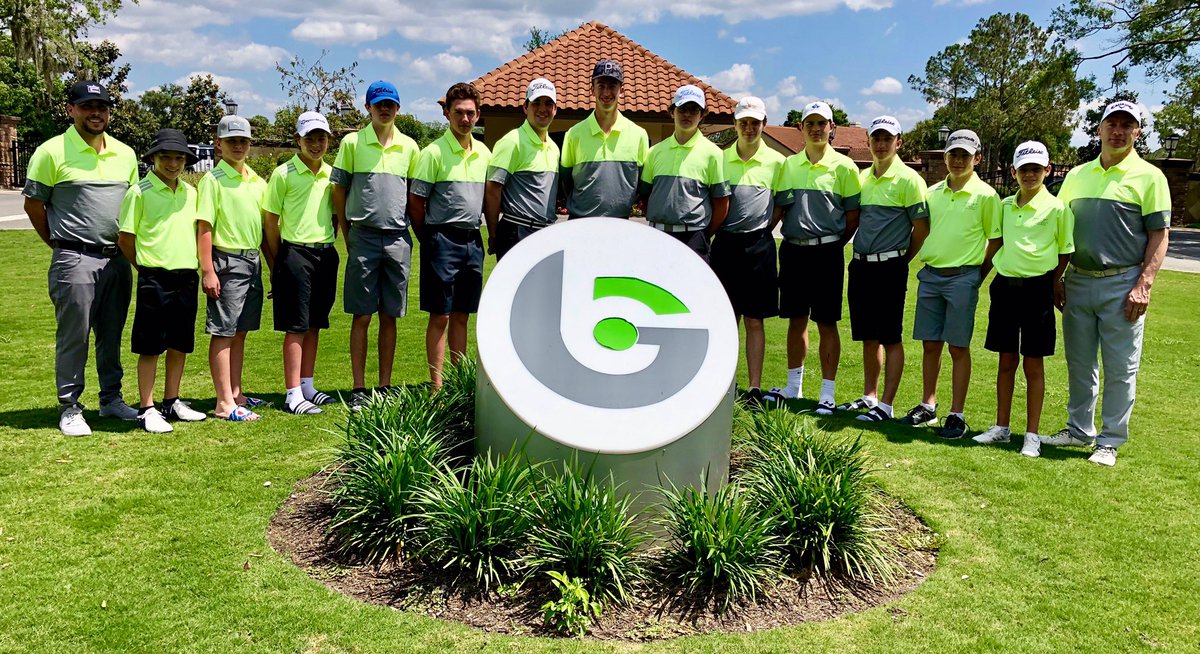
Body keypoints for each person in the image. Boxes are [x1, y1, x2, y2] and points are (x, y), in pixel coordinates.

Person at [1043, 101, 1171, 467]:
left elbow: (1159, 235)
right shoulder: (1077, 175)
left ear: (1137, 133)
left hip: (1123, 283)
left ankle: (1110, 439)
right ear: (1099, 130)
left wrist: (1144, 284)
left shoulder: (1150, 177)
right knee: (1080, 363)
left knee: (1120, 368)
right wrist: (1057, 277)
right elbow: (1062, 230)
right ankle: (1079, 430)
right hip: (1078, 280)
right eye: (1111, 124)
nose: (1117, 131)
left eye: (1126, 125)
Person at [23, 80, 140, 435]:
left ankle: (111, 399)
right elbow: (34, 206)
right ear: (71, 110)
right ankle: (70, 406)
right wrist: (59, 244)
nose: (95, 113)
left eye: (102, 107)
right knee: (74, 335)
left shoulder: (125, 154)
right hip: (74, 258)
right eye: (87, 106)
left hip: (116, 260)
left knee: (111, 333)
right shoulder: (51, 152)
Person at [971, 141, 1074, 457]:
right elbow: (997, 244)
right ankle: (1002, 428)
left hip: (1037, 291)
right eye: (1024, 169)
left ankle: (1031, 435)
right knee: (1006, 360)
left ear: (1048, 170)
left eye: (1036, 169)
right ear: (1013, 172)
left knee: (1033, 362)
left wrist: (1054, 282)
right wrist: (980, 277)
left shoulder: (1058, 209)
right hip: (1005, 288)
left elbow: (1065, 251)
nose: (1030, 174)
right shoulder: (1004, 206)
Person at [900, 129, 1001, 439]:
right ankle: (928, 406)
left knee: (958, 347)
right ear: (945, 157)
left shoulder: (987, 196)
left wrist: (977, 276)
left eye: (965, 156)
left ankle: (956, 414)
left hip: (963, 277)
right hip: (930, 275)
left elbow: (995, 241)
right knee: (930, 344)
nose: (958, 160)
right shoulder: (931, 193)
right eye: (953, 154)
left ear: (977, 158)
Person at [331, 81, 420, 408]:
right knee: (362, 315)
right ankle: (358, 388)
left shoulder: (410, 147)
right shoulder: (352, 143)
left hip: (397, 238)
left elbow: (413, 194)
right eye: (379, 104)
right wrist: (347, 232)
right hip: (363, 237)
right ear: (368, 107)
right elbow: (339, 190)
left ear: (398, 108)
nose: (385, 109)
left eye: (390, 104)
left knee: (390, 315)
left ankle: (384, 386)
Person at [768, 101, 861, 414]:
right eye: (810, 123)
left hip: (828, 253)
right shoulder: (789, 166)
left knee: (826, 322)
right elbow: (782, 208)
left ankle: (827, 394)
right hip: (793, 251)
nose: (817, 129)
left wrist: (833, 243)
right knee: (796, 320)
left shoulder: (845, 167)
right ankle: (793, 387)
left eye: (822, 123)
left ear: (832, 128)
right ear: (801, 128)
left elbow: (852, 216)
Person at [116, 128, 207, 433]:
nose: (172, 163)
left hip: (186, 276)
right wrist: (144, 266)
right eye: (165, 157)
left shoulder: (191, 193)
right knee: (151, 345)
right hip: (154, 277)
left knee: (180, 343)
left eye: (179, 158)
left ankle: (171, 400)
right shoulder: (139, 192)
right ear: (153, 158)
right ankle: (147, 407)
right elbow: (126, 238)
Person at [840, 115, 929, 423]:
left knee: (890, 337)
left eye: (887, 139)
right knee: (868, 335)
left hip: (891, 266)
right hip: (861, 266)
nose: (881, 144)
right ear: (868, 141)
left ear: (898, 142)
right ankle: (870, 395)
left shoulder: (909, 180)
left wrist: (902, 259)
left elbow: (921, 229)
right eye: (876, 138)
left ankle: (886, 405)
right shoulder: (862, 178)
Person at [410, 83, 491, 389]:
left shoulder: (484, 153)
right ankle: (437, 386)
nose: (465, 119)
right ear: (446, 114)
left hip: (472, 240)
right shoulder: (433, 153)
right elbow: (416, 201)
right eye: (458, 113)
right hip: (441, 240)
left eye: (470, 113)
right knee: (440, 315)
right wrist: (429, 238)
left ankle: (457, 383)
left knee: (462, 314)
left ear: (478, 114)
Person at [263, 111, 339, 415]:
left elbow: (335, 216)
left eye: (321, 138)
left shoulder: (332, 174)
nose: (316, 144)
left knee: (315, 323)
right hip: (295, 253)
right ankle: (292, 393)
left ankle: (307, 386)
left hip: (326, 253)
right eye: (310, 139)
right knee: (296, 326)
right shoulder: (283, 174)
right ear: (298, 140)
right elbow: (270, 222)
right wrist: (278, 261)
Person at [712, 96, 784, 409]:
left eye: (755, 123)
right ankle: (724, 384)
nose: (749, 128)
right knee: (728, 319)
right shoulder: (720, 159)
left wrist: (762, 229)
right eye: (744, 122)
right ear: (735, 123)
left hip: (759, 246)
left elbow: (780, 205)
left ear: (764, 124)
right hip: (725, 245)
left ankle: (754, 387)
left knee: (755, 320)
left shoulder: (777, 162)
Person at [197, 115, 268, 422]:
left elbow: (265, 228)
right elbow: (204, 227)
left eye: (243, 141)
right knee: (224, 332)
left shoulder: (257, 181)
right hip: (226, 261)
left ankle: (236, 394)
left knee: (240, 332)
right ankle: (224, 403)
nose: (238, 146)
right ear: (219, 144)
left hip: (253, 260)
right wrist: (208, 271)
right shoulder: (212, 180)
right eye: (232, 141)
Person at [640, 84, 730, 260]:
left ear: (702, 115)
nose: (687, 114)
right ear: (672, 112)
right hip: (657, 235)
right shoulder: (654, 152)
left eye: (694, 110)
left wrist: (704, 234)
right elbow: (646, 194)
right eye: (682, 109)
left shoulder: (713, 154)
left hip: (694, 237)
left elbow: (721, 203)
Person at [560, 59, 649, 219]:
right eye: (601, 85)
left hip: (620, 225)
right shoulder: (573, 134)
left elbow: (641, 187)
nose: (606, 93)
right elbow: (566, 182)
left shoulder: (639, 135)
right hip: (580, 223)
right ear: (592, 89)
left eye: (612, 86)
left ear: (621, 90)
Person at [484, 78, 560, 259]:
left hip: (545, 232)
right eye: (536, 103)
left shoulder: (554, 148)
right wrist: (493, 235)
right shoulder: (512, 142)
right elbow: (492, 190)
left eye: (548, 103)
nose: (543, 109)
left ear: (555, 109)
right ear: (525, 107)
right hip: (516, 231)